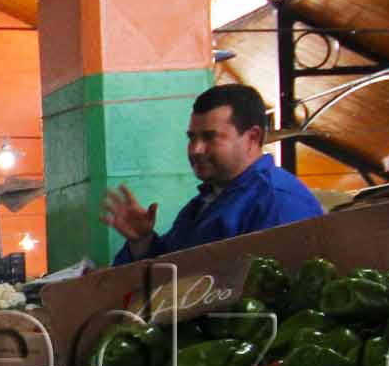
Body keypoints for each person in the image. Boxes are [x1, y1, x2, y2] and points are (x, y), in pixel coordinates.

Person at [103, 82, 325, 262]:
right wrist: (142, 240)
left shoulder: (279, 202)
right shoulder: (204, 203)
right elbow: (168, 273)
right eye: (191, 137)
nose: (196, 149)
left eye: (210, 137)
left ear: (252, 137)